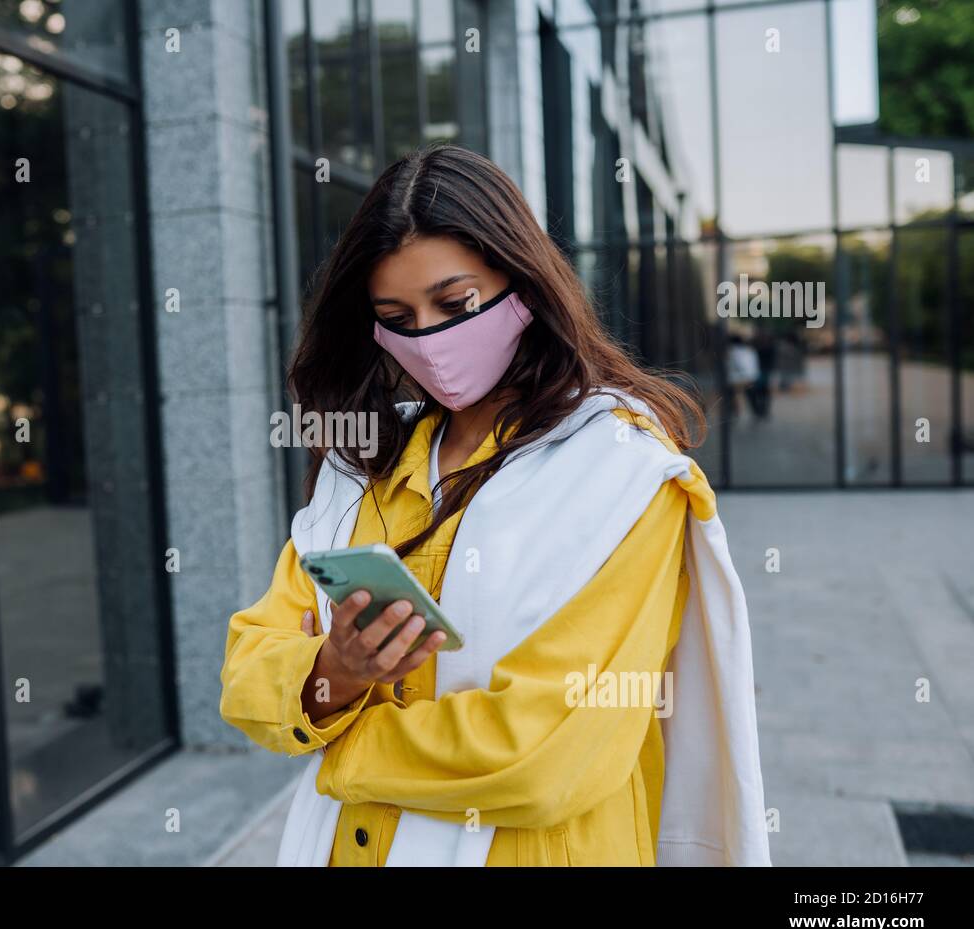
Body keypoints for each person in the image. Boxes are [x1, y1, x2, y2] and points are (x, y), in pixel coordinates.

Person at [220, 144, 769, 867]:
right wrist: (338, 670)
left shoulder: (621, 477)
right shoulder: (363, 472)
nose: (430, 339)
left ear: (526, 284)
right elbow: (247, 672)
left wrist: (337, 738)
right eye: (397, 316)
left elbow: (545, 753)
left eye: (456, 303)